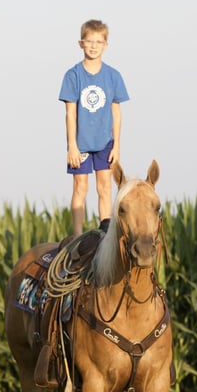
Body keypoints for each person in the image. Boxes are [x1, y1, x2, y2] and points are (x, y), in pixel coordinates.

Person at [58, 19, 129, 236]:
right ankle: (78, 235)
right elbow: (70, 112)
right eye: (89, 41)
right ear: (81, 43)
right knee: (80, 188)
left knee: (105, 187)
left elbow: (116, 113)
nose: (94, 46)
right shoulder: (73, 75)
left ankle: (105, 231)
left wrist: (117, 145)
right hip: (81, 143)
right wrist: (72, 146)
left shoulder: (113, 76)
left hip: (105, 142)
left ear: (105, 45)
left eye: (99, 41)